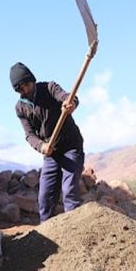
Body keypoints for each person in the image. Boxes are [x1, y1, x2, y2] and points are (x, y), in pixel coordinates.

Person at [10, 62, 84, 222]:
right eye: (20, 88)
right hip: (50, 153)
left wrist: (70, 104)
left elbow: (69, 97)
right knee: (45, 198)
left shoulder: (49, 88)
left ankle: (77, 232)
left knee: (69, 191)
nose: (25, 90)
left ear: (32, 80)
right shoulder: (20, 107)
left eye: (27, 85)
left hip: (70, 146)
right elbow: (29, 135)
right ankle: (47, 235)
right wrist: (41, 146)